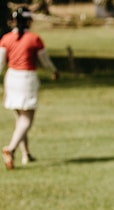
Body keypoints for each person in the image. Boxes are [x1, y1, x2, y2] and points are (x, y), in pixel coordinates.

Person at [0, 7, 59, 170]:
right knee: (27, 119)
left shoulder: (5, 39)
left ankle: (26, 154)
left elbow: (0, 63)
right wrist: (54, 71)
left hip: (11, 78)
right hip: (27, 78)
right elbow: (45, 61)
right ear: (29, 21)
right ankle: (10, 149)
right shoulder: (34, 39)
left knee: (20, 118)